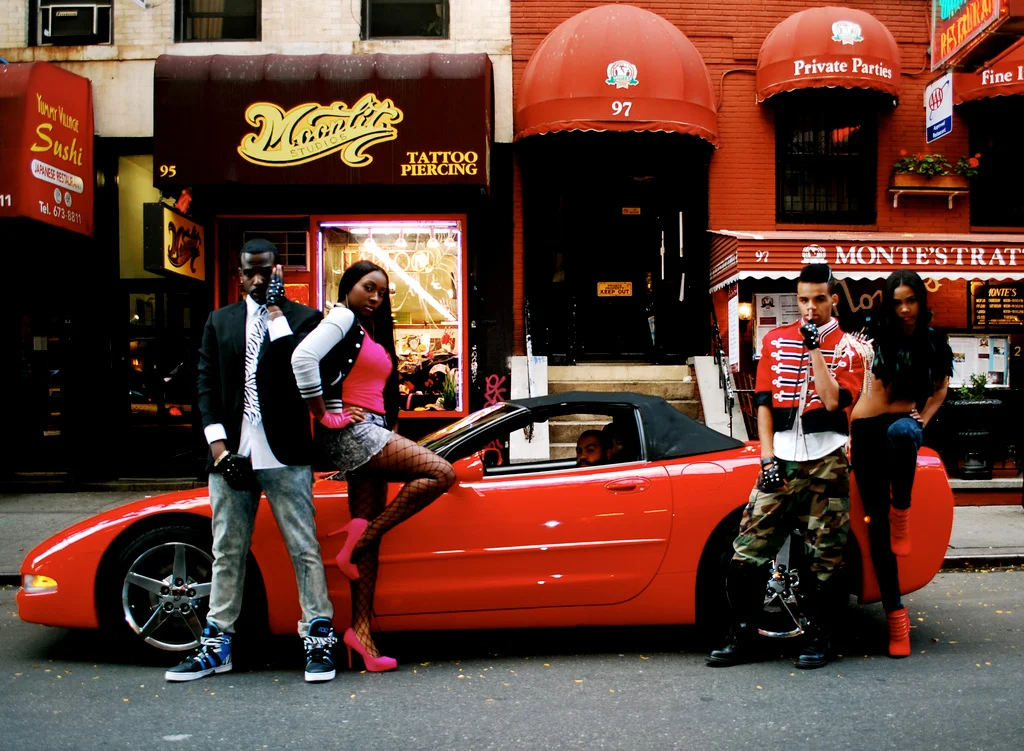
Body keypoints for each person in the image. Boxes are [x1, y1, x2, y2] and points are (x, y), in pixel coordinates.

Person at [167, 239, 337, 683]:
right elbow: (204, 387)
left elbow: (297, 376)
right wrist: (220, 452)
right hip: (232, 454)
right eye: (250, 272)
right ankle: (217, 642)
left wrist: (278, 317)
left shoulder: (305, 320)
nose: (259, 279)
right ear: (239, 275)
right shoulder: (219, 321)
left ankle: (318, 638)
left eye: (266, 271)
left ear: (278, 271)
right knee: (226, 550)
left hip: (285, 453)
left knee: (304, 548)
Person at [291, 260, 456, 673]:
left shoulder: (371, 332)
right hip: (354, 433)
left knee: (368, 523)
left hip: (373, 430)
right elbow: (303, 359)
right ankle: (357, 542)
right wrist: (325, 413)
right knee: (440, 473)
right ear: (348, 287)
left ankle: (361, 635)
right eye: (368, 288)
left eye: (382, 293)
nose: (375, 298)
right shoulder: (342, 316)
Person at [706, 263, 867, 670]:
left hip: (826, 461)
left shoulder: (851, 348)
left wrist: (815, 349)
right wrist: (766, 457)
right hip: (780, 457)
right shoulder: (775, 340)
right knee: (746, 551)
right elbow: (762, 402)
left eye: (817, 300)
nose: (809, 308)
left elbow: (833, 402)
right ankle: (742, 633)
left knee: (824, 557)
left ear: (833, 300)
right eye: (802, 300)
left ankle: (818, 637)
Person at [850, 269, 952, 658]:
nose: (905, 309)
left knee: (905, 432)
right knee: (875, 527)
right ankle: (896, 617)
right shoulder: (872, 335)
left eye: (911, 300)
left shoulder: (932, 342)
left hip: (900, 428)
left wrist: (924, 416)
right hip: (865, 431)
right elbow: (851, 379)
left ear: (921, 302)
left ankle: (902, 510)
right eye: (897, 302)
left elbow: (941, 387)